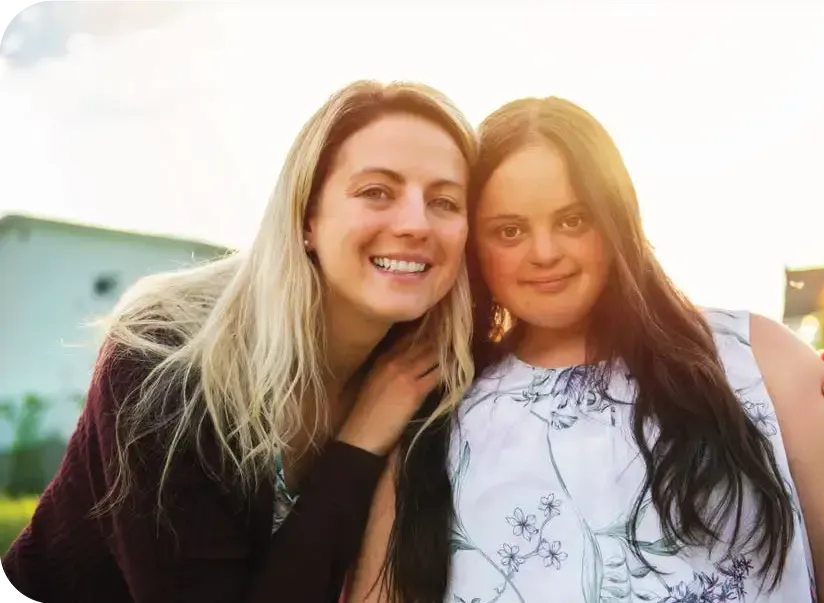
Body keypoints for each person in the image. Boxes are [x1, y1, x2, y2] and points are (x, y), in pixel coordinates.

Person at [349, 96, 824, 603]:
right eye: (510, 230)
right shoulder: (437, 414)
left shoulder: (756, 356)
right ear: (474, 244)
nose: (544, 252)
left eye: (573, 220)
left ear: (616, 220)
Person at [1, 80, 480, 603]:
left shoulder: (428, 374)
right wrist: (358, 444)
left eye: (445, 201)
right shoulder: (166, 361)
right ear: (306, 219)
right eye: (376, 192)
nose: (415, 223)